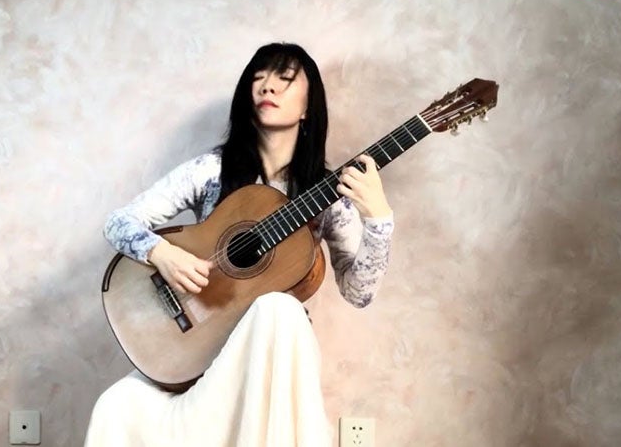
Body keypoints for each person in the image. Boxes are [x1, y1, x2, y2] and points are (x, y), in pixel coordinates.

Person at [84, 42, 394, 447]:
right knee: (117, 404)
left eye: (284, 78)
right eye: (258, 77)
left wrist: (379, 219)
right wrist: (163, 253)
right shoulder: (212, 170)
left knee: (277, 307)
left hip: (274, 352)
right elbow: (118, 222)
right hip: (207, 346)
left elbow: (358, 293)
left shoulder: (328, 192)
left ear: (308, 107)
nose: (267, 86)